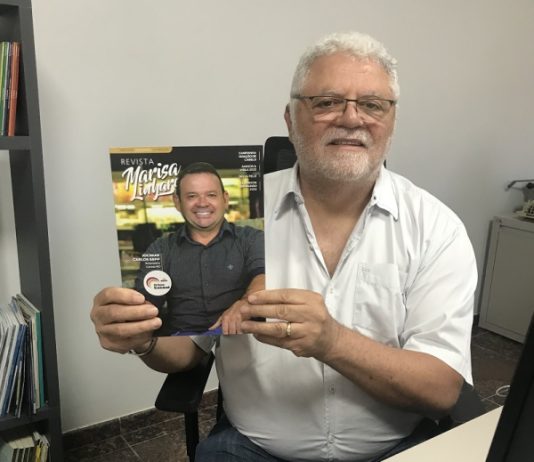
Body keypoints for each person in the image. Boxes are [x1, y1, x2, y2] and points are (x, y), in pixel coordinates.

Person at [91, 31, 477, 461]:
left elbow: (442, 389)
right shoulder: (236, 222)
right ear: (291, 120)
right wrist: (142, 338)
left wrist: (332, 341)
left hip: (394, 446)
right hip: (252, 447)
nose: (352, 118)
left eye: (372, 104)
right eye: (327, 102)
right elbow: (186, 351)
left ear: (391, 122)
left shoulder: (436, 228)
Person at [134, 161, 264, 338]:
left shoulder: (251, 239)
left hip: (238, 338)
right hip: (180, 342)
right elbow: (146, 304)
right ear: (177, 202)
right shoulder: (161, 248)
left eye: (211, 195)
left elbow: (264, 276)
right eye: (192, 196)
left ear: (225, 199)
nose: (202, 203)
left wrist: (245, 304)